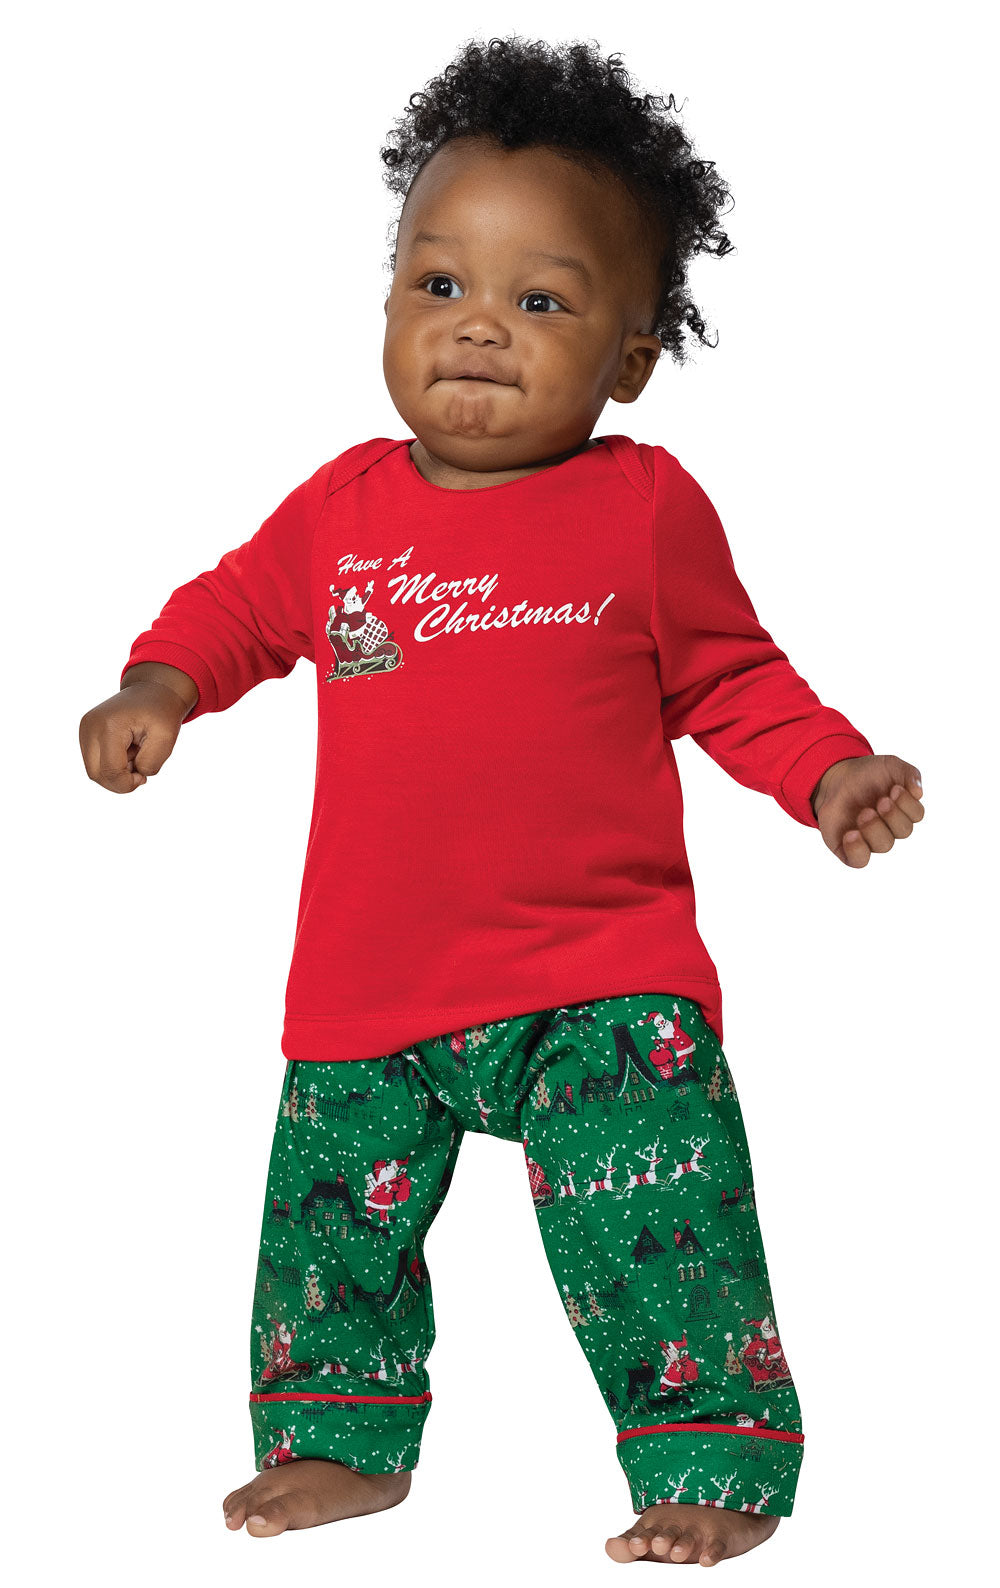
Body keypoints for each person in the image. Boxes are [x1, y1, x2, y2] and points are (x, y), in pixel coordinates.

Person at [78, 36, 925, 1568]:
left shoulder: (641, 508)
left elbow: (733, 678)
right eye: (439, 284)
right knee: (327, 1232)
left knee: (662, 1223)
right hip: (371, 981)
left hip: (598, 981)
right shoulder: (341, 508)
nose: (477, 326)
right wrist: (160, 687)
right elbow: (232, 611)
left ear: (630, 361)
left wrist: (830, 772)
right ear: (388, 305)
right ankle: (336, 1443)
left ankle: (711, 1461)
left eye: (542, 302)